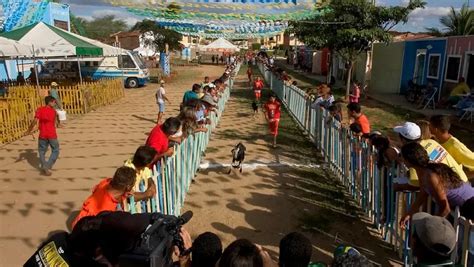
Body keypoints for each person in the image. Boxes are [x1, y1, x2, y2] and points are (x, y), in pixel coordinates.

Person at [399, 142, 474, 228]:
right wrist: (409, 213)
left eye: (403, 157)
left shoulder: (431, 176)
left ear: (409, 160)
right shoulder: (423, 170)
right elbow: (423, 193)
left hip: (469, 204)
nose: (402, 160)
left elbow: (445, 209)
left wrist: (430, 226)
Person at [393, 121, 469, 191]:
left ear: (403, 140)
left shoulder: (412, 155)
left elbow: (416, 184)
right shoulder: (431, 142)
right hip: (463, 181)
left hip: (452, 191)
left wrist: (399, 186)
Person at [72, 167, 137, 228]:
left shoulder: (106, 182)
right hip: (83, 229)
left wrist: (124, 194)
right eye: (133, 184)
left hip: (82, 220)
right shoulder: (106, 208)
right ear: (128, 187)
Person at [26, 96, 60, 176]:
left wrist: (28, 130)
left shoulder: (39, 110)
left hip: (42, 135)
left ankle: (45, 166)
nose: (55, 103)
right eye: (54, 102)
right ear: (49, 102)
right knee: (55, 150)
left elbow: (34, 121)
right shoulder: (54, 111)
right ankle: (47, 166)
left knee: (41, 151)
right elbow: (56, 122)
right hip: (52, 134)